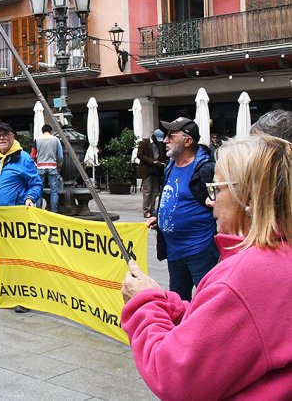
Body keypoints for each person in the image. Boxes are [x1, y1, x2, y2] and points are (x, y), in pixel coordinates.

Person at [121, 135, 292, 399]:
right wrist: (169, 304)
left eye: (217, 189)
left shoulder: (245, 275)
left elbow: (173, 375)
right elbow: (232, 329)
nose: (210, 201)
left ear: (247, 196)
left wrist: (144, 304)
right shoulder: (280, 253)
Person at [147, 117, 217, 302]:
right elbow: (170, 195)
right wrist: (158, 216)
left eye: (171, 135)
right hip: (174, 251)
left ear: (188, 141)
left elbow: (220, 205)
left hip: (200, 250)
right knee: (178, 301)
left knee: (207, 301)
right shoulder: (170, 166)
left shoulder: (206, 169)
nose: (165, 140)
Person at [0, 123, 42, 311]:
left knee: (20, 259)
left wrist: (30, 198)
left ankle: (25, 298)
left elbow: (36, 183)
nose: (1, 138)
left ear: (13, 136)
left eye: (5, 135)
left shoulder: (23, 159)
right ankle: (4, 295)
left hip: (16, 220)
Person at [30, 124, 62, 213]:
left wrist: (38, 161)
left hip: (40, 167)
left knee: (39, 190)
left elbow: (32, 155)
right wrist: (58, 165)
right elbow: (60, 156)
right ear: (50, 131)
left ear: (42, 131)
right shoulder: (56, 139)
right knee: (54, 191)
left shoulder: (37, 140)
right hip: (52, 167)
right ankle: (54, 211)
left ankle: (39, 211)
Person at [136, 129, 167, 218]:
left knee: (155, 191)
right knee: (147, 191)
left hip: (156, 170)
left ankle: (152, 209)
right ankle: (146, 210)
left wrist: (162, 162)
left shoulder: (160, 144)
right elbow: (140, 155)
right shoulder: (144, 143)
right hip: (147, 170)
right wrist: (152, 161)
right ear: (153, 136)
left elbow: (162, 155)